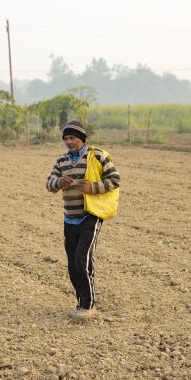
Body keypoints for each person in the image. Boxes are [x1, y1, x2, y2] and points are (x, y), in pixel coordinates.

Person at [46, 120, 121, 320]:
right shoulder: (61, 161)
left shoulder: (97, 156)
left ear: (82, 139)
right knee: (72, 265)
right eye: (66, 138)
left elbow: (115, 180)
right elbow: (49, 184)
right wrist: (59, 181)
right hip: (69, 218)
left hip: (90, 215)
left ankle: (88, 305)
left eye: (73, 138)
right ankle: (81, 302)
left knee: (82, 260)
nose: (69, 142)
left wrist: (92, 187)